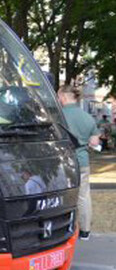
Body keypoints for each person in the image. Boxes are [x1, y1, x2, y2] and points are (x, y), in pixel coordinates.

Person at [58, 85, 101, 240]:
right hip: (82, 161)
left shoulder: (58, 116)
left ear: (63, 96)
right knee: (83, 196)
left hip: (63, 162)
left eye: (58, 96)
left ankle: (63, 229)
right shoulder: (87, 117)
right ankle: (85, 231)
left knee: (62, 196)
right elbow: (95, 142)